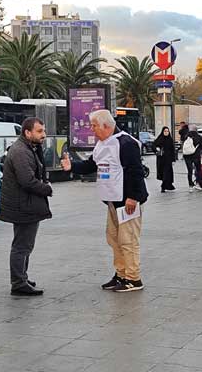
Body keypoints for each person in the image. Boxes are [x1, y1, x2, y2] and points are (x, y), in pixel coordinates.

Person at [61, 110, 149, 292]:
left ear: (106, 126)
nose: (92, 130)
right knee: (114, 239)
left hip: (127, 202)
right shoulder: (102, 144)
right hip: (112, 200)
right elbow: (92, 164)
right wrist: (73, 167)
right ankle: (121, 274)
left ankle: (133, 278)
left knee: (128, 240)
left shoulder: (126, 143)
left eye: (94, 126)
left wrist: (133, 197)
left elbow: (136, 171)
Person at [0, 117, 52, 296]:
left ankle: (21, 276)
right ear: (27, 133)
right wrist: (47, 189)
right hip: (23, 205)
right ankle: (18, 283)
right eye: (39, 131)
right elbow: (27, 180)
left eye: (43, 131)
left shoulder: (29, 148)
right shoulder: (21, 151)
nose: (43, 135)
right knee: (22, 245)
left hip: (25, 204)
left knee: (25, 244)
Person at [154, 127, 176, 193]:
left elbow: (172, 150)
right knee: (163, 173)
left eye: (167, 131)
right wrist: (156, 149)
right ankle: (165, 185)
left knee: (166, 173)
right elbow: (154, 145)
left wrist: (173, 159)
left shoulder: (170, 139)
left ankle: (163, 186)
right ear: (162, 132)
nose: (166, 132)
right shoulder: (160, 138)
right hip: (161, 159)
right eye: (165, 131)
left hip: (168, 159)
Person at [182, 125, 201, 192]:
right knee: (198, 170)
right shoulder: (198, 137)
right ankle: (198, 184)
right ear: (196, 130)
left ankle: (190, 186)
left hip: (187, 156)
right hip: (195, 156)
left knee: (189, 171)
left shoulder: (186, 136)